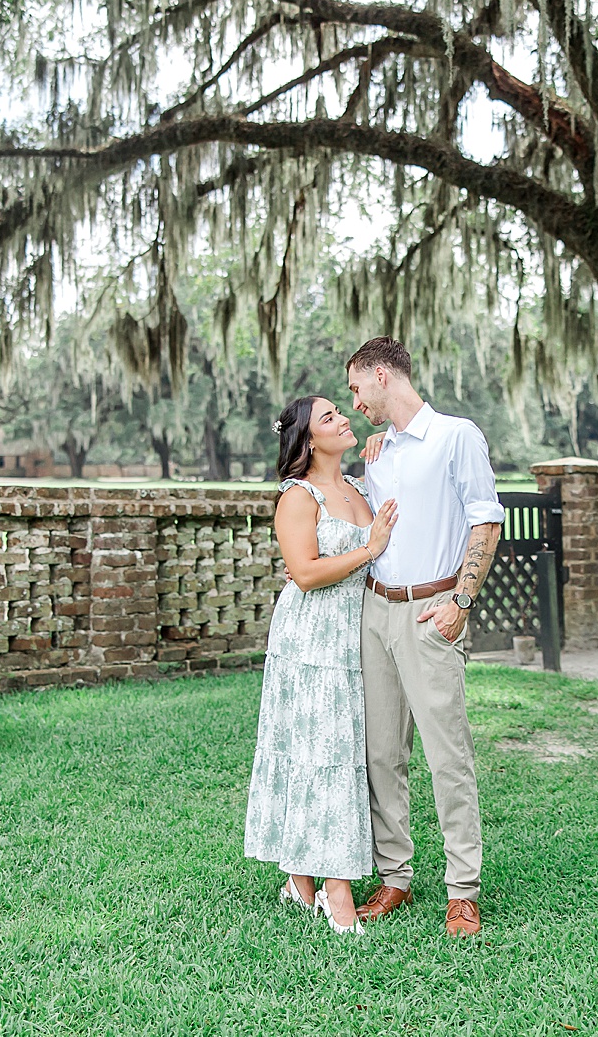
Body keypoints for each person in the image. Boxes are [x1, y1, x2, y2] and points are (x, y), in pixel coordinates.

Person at [346, 337, 504, 937]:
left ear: (382, 376)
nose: (355, 402)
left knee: (447, 757)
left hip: (432, 612)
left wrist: (461, 601)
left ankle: (462, 889)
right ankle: (395, 879)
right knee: (382, 754)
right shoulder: (377, 451)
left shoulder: (455, 435)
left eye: (358, 389)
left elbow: (485, 517)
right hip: (376, 612)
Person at [244, 395, 400, 934]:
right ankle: (336, 888)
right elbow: (305, 573)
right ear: (310, 440)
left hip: (356, 633)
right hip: (311, 639)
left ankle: (299, 879)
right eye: (330, 417)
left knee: (333, 752)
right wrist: (370, 548)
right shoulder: (297, 497)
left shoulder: (359, 486)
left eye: (342, 411)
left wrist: (386, 443)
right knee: (319, 752)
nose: (345, 420)